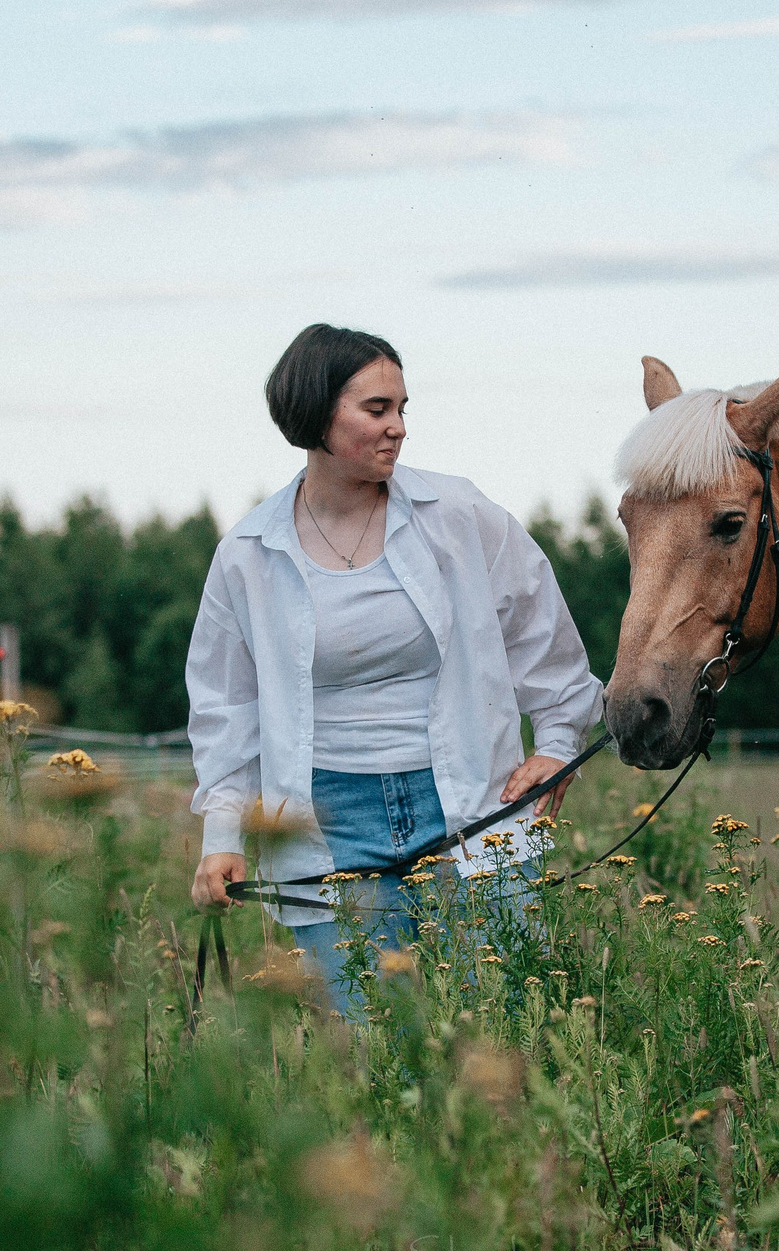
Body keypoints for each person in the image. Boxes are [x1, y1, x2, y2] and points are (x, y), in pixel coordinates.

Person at [186, 323, 604, 1015]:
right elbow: (225, 710)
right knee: (376, 1054)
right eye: (376, 410)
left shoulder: (458, 513)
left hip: (470, 804)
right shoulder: (248, 555)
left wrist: (559, 745)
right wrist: (222, 837)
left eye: (402, 409)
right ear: (317, 413)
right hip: (327, 824)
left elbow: (542, 633)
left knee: (503, 1034)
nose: (398, 428)